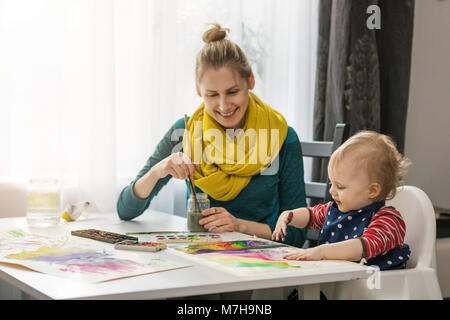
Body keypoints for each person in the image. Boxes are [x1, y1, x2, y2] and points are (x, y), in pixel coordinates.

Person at [117, 23, 307, 248]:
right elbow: (125, 210)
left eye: (233, 92)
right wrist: (158, 170)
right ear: (199, 92)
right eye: (212, 95)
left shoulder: (282, 137)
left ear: (250, 82)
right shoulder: (185, 131)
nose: (224, 105)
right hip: (203, 258)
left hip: (261, 264)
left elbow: (296, 233)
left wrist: (239, 225)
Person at [272, 130, 411, 270]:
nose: (331, 191)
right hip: (339, 281)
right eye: (332, 184)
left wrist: (322, 251)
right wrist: (289, 216)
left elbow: (362, 246)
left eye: (340, 187)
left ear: (372, 191)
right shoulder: (336, 209)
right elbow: (311, 215)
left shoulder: (388, 220)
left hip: (374, 286)